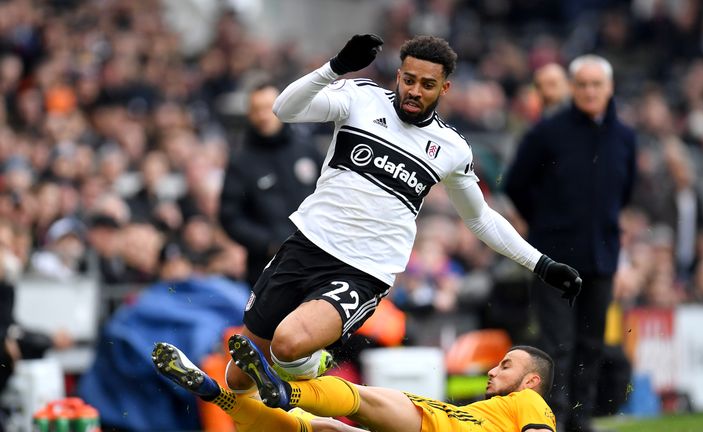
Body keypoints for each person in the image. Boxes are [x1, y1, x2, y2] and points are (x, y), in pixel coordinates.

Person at [225, 33, 582, 393]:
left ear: (445, 88)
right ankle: (255, 400)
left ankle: (309, 364)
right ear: (398, 75)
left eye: (427, 84)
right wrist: (336, 67)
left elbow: (481, 218)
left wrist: (542, 264)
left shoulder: (452, 148)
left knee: (287, 343)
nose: (414, 91)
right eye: (409, 80)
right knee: (237, 376)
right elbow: (284, 109)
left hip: (364, 269)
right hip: (307, 245)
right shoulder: (360, 97)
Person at [502, 54, 636, 432]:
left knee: (592, 345)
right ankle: (554, 420)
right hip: (555, 259)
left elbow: (622, 194)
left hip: (602, 256)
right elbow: (515, 184)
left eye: (597, 84)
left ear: (609, 89)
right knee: (556, 345)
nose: (590, 91)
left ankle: (581, 418)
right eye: (583, 84)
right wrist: (544, 223)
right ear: (572, 88)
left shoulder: (624, 137)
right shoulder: (547, 132)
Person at [151, 334, 557, 432]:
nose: (492, 370)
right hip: (438, 418)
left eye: (505, 366)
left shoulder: (531, 404)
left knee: (355, 400)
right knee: (321, 427)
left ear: (530, 380)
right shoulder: (489, 413)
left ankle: (283, 389)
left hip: (430, 423)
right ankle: (213, 392)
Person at [219, 82, 323, 287]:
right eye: (257, 110)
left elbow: (330, 193)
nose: (264, 115)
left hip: (316, 260)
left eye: (269, 108)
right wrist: (268, 244)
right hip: (267, 269)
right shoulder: (241, 161)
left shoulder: (306, 150)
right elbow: (230, 217)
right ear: (249, 115)